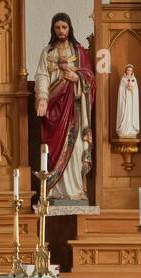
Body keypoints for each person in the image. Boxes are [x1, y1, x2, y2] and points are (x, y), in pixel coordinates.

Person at [34, 12, 95, 201]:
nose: (61, 31)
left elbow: (90, 77)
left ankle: (75, 190)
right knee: (53, 150)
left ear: (70, 29)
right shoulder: (47, 52)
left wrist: (77, 78)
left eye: (64, 27)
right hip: (53, 110)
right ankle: (53, 190)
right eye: (58, 27)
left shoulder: (78, 52)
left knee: (76, 149)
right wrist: (43, 97)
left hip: (74, 111)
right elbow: (42, 76)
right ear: (53, 29)